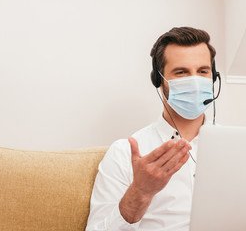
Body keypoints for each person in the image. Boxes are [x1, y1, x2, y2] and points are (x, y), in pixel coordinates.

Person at [86, 27, 220, 231]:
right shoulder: (124, 153)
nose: (194, 81)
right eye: (181, 72)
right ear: (159, 80)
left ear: (214, 77)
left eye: (203, 71)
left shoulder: (238, 149)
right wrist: (140, 193)